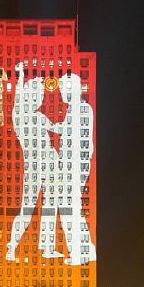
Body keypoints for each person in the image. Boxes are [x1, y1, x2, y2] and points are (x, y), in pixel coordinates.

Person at [7, 63, 62, 260]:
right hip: (35, 169)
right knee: (27, 209)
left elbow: (57, 128)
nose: (40, 98)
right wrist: (21, 75)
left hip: (50, 168)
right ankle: (11, 248)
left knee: (49, 207)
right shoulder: (19, 116)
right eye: (36, 95)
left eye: (40, 95)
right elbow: (17, 97)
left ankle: (47, 248)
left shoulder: (39, 116)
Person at [50, 74, 96, 265]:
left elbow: (74, 133)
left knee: (69, 210)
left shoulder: (81, 108)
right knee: (71, 209)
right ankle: (86, 251)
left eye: (64, 89)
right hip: (73, 164)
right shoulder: (76, 109)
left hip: (75, 165)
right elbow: (68, 129)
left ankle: (80, 253)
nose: (61, 92)